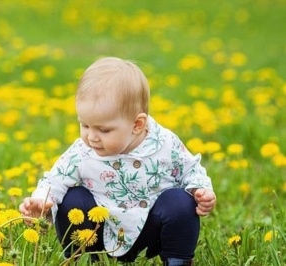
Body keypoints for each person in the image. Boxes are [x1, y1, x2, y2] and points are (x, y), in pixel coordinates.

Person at [19, 57, 216, 266]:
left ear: (137, 125)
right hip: (99, 233)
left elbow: (190, 169)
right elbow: (55, 178)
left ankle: (177, 261)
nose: (92, 137)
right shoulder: (83, 151)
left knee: (180, 202)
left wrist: (200, 190)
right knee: (72, 198)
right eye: (85, 125)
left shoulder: (164, 144)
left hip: (150, 232)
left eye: (104, 130)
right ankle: (80, 258)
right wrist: (42, 201)